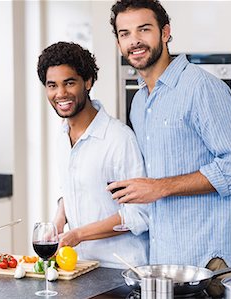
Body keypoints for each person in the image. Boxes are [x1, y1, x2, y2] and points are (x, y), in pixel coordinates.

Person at [108, 0, 231, 295]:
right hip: (164, 265)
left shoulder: (201, 88)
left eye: (144, 29)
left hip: (209, 264)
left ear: (165, 32)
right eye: (124, 33)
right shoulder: (139, 102)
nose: (134, 41)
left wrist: (160, 187)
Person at [37, 41, 149, 269]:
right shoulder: (62, 136)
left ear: (87, 82)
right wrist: (59, 222)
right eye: (52, 85)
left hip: (121, 270)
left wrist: (79, 234)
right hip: (81, 267)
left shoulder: (118, 139)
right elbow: (73, 189)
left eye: (69, 83)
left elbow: (140, 214)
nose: (60, 94)